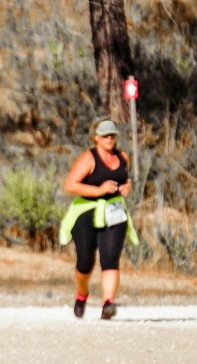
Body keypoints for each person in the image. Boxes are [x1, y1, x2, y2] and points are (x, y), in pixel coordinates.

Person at [59, 119, 139, 320]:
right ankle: (82, 293)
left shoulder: (123, 157)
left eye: (112, 135)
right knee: (85, 262)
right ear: (95, 138)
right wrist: (99, 190)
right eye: (105, 135)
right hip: (87, 211)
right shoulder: (89, 158)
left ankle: (108, 303)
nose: (109, 139)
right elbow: (70, 185)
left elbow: (124, 180)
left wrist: (127, 187)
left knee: (110, 258)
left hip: (114, 211)